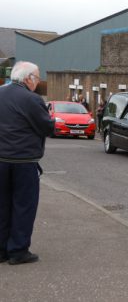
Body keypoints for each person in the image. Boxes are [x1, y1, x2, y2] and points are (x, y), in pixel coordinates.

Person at [0, 61, 54, 265]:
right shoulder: (31, 99)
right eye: (37, 78)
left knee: (2, 205)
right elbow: (47, 127)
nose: (38, 82)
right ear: (28, 78)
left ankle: (1, 249)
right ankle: (18, 250)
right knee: (23, 206)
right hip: (23, 160)